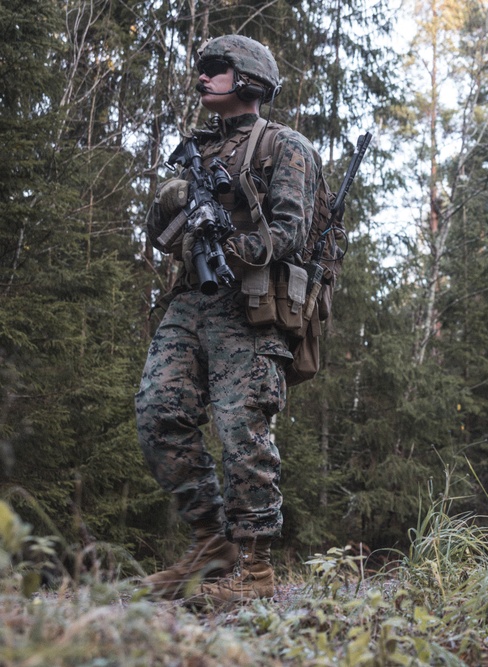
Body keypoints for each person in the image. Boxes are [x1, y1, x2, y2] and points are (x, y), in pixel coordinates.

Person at [136, 34, 320, 606]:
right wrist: (173, 200)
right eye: (201, 69)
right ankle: (211, 543)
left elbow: (293, 232)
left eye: (214, 69)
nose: (202, 78)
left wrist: (232, 238)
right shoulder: (194, 150)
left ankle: (257, 566)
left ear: (247, 79)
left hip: (251, 304)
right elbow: (158, 237)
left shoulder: (285, 146)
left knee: (243, 429)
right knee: (157, 412)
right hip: (190, 300)